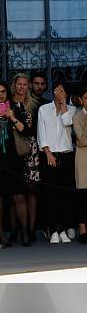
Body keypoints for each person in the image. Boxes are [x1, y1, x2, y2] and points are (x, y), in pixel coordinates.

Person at [0, 80, 32, 247]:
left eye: (3, 91)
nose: (0, 94)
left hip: (14, 160)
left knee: (19, 196)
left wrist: (13, 118)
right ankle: (1, 235)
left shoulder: (16, 109)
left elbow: (26, 131)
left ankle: (25, 233)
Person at [37, 79, 77, 244]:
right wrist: (48, 152)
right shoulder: (44, 109)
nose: (61, 93)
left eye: (64, 91)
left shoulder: (72, 110)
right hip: (49, 154)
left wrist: (64, 106)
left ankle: (65, 227)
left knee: (66, 193)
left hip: (67, 154)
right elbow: (41, 132)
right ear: (54, 90)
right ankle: (53, 229)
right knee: (50, 194)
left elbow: (68, 123)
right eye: (59, 90)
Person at [11, 73, 40, 242]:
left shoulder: (33, 104)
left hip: (31, 151)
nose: (21, 87)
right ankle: (21, 230)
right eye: (18, 84)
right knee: (17, 194)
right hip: (14, 151)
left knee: (31, 192)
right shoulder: (8, 103)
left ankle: (31, 229)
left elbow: (31, 130)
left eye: (24, 84)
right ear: (14, 85)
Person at [73, 85, 87, 243]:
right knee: (83, 195)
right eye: (86, 98)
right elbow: (81, 140)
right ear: (81, 100)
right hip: (82, 158)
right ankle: (82, 228)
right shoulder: (77, 116)